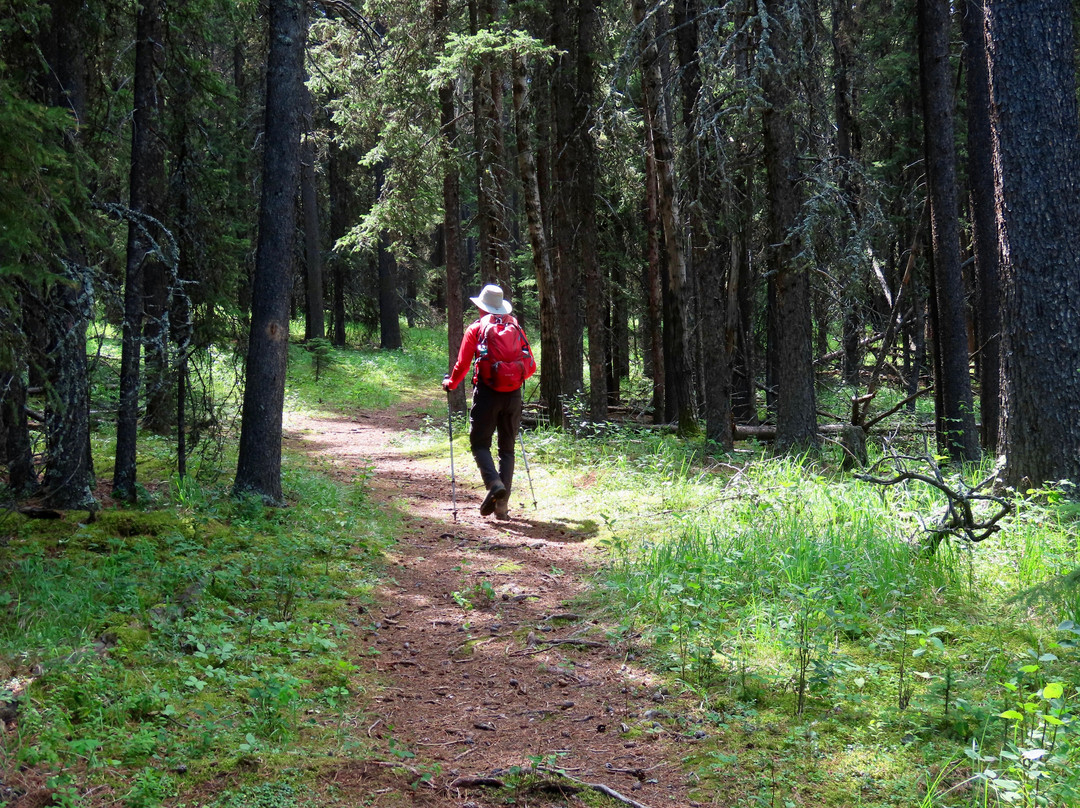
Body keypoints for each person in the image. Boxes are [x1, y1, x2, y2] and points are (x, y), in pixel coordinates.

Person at [442, 284, 536, 519]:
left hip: (487, 394)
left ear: (481, 307)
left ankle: (494, 484)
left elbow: (462, 365)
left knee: (480, 443)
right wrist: (511, 376)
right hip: (513, 395)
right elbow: (531, 365)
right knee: (507, 450)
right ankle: (502, 507)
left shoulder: (476, 329)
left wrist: (451, 384)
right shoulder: (516, 326)